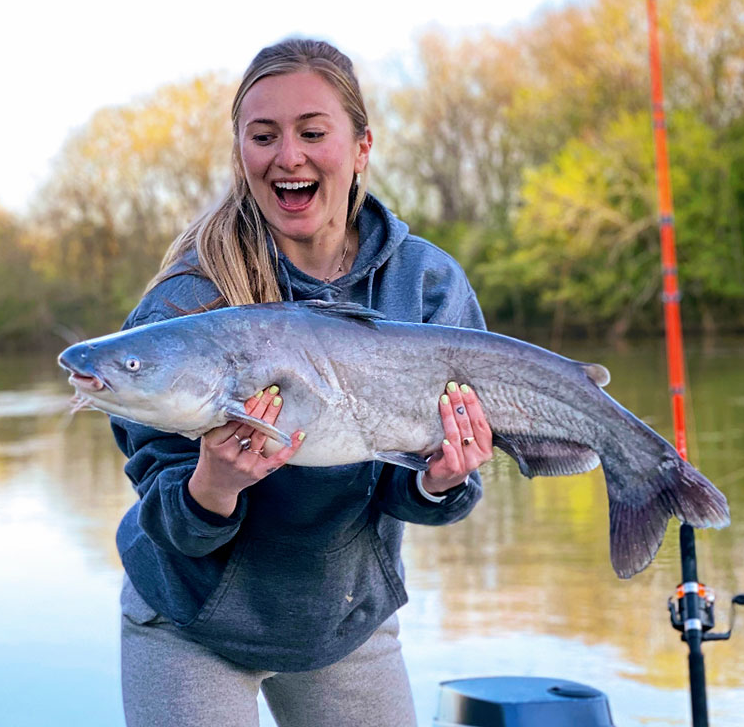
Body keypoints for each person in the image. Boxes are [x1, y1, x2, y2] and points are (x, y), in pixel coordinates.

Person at [111, 38, 494, 727]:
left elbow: (424, 494)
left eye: (312, 132)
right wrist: (215, 485)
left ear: (361, 147)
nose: (288, 156)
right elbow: (168, 519)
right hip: (189, 616)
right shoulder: (186, 303)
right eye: (263, 136)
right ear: (242, 153)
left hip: (340, 617)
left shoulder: (427, 285)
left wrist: (441, 480)